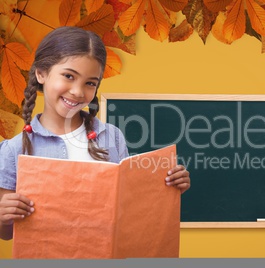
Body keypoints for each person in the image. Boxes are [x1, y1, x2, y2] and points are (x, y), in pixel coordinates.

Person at [0, 26, 190, 241]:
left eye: (90, 83)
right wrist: (3, 217)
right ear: (41, 73)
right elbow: (6, 234)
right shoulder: (13, 150)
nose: (78, 92)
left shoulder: (111, 137)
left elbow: (130, 208)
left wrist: (167, 190)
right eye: (69, 76)